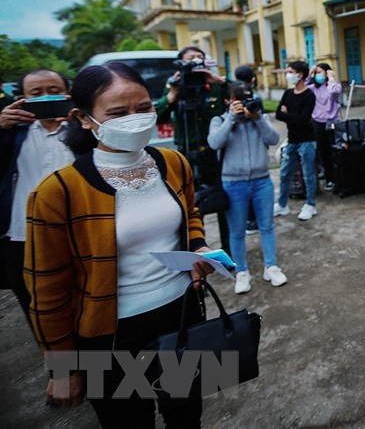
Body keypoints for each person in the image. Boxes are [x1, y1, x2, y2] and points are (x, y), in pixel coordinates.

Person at [24, 61, 214, 426]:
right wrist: (62, 368)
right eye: (118, 113)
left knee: (186, 415)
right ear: (83, 118)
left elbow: (190, 212)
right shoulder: (56, 193)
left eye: (143, 108)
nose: (136, 119)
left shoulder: (172, 162)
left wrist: (199, 246)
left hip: (181, 317)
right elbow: (46, 291)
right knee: (128, 421)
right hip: (110, 337)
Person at [0, 70, 75, 322]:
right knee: (38, 310)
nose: (46, 98)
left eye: (54, 92)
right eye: (36, 93)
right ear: (21, 99)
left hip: (76, 232)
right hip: (22, 237)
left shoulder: (83, 128)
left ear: (68, 93)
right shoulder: (12, 133)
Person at [208, 83, 286, 294]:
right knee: (236, 231)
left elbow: (273, 139)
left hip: (261, 180)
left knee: (267, 225)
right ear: (227, 101)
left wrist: (258, 118)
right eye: (238, 100)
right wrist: (232, 118)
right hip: (233, 183)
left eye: (247, 98)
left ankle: (271, 266)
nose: (244, 104)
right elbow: (214, 143)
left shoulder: (259, 118)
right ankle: (242, 272)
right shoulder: (219, 120)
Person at [155, 45, 230, 253]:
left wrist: (222, 82)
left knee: (223, 201)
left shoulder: (213, 85)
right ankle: (198, 249)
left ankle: (229, 250)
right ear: (180, 64)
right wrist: (172, 95)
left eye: (200, 58)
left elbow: (237, 96)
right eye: (191, 58)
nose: (197, 61)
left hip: (213, 154)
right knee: (191, 205)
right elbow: (158, 116)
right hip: (186, 153)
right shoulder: (175, 86)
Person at [274, 61, 317, 221]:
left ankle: (310, 205)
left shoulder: (309, 96)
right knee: (285, 173)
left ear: (300, 75)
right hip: (291, 140)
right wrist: (293, 116)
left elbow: (303, 119)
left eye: (290, 72)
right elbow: (278, 114)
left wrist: (288, 114)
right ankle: (282, 204)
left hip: (307, 140)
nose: (288, 75)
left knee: (308, 175)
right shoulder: (288, 94)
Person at [233, 65, 264, 235]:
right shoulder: (253, 98)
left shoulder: (254, 99)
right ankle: (253, 219)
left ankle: (252, 219)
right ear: (252, 80)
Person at [307, 62, 342, 191]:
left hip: (332, 122)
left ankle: (338, 178)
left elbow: (335, 93)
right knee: (323, 152)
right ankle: (329, 179)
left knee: (334, 151)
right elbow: (303, 89)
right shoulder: (313, 88)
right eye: (317, 73)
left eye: (320, 72)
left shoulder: (333, 86)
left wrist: (331, 78)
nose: (318, 75)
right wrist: (310, 75)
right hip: (318, 122)